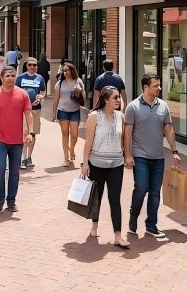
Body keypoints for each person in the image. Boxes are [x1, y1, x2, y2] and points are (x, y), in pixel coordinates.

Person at [123, 73, 180, 240]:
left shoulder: (163, 106)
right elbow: (127, 133)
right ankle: (134, 215)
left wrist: (175, 151)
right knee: (141, 188)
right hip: (140, 155)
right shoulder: (133, 107)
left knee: (155, 192)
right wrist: (128, 155)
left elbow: (168, 130)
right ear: (145, 87)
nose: (159, 88)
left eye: (159, 85)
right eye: (155, 86)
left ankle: (151, 225)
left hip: (158, 157)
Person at [0, 67, 34, 213]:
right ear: (1, 78)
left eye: (12, 75)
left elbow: (28, 114)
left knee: (15, 172)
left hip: (17, 140)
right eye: (7, 76)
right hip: (0, 140)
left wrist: (31, 132)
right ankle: (0, 200)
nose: (10, 78)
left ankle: (11, 200)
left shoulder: (22, 94)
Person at [80, 86, 128, 249]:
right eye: (115, 97)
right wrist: (85, 163)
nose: (119, 100)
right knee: (97, 197)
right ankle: (94, 226)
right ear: (106, 99)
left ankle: (118, 236)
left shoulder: (121, 116)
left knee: (115, 199)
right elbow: (88, 142)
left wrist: (127, 156)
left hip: (116, 164)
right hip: (96, 164)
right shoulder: (94, 116)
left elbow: (123, 141)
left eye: (119, 97)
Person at [15, 58, 47, 169]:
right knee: (24, 133)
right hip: (23, 110)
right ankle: (23, 158)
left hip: (36, 109)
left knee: (33, 133)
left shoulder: (40, 78)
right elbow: (15, 91)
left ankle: (29, 157)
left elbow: (43, 90)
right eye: (30, 65)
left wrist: (41, 96)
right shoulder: (20, 78)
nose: (32, 67)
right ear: (26, 65)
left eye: (34, 65)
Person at [54, 61, 84, 168]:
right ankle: (66, 158)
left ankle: (72, 149)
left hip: (75, 111)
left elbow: (84, 98)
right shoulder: (59, 83)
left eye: (67, 70)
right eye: (64, 70)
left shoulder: (78, 81)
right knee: (65, 133)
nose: (65, 72)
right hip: (63, 111)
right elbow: (56, 99)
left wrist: (80, 91)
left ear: (72, 70)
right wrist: (54, 113)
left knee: (74, 135)